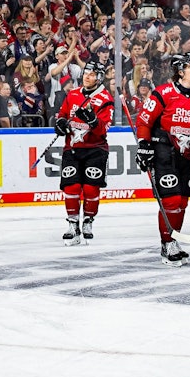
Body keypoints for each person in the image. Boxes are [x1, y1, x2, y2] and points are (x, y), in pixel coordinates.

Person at [135, 52, 190, 266]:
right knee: (170, 200)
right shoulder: (163, 93)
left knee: (182, 201)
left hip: (186, 153)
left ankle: (175, 238)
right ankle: (168, 243)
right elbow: (144, 121)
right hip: (164, 151)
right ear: (180, 71)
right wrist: (144, 145)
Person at [53, 61, 114, 245]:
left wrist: (94, 121)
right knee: (71, 187)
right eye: (86, 73)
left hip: (96, 149)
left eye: (92, 74)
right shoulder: (72, 94)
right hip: (72, 148)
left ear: (99, 78)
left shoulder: (105, 99)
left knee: (90, 188)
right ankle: (73, 224)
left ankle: (88, 220)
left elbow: (103, 129)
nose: (87, 76)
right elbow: (62, 115)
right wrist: (60, 124)